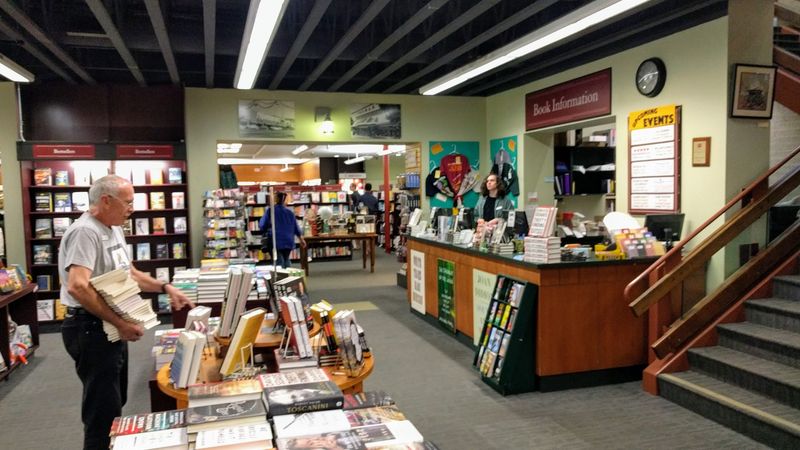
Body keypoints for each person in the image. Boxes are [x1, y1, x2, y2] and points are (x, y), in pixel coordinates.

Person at [58, 175, 193, 450]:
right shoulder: (86, 231)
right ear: (106, 201)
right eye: (128, 202)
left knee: (114, 401)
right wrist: (119, 323)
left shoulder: (114, 226)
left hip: (106, 325)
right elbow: (77, 286)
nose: (132, 208)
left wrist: (165, 287)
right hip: (90, 327)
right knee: (101, 412)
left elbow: (129, 274)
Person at [260, 191, 307, 268]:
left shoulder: (270, 211)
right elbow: (296, 227)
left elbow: (262, 225)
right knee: (286, 258)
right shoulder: (290, 213)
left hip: (276, 240)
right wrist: (301, 239)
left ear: (275, 199)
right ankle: (289, 276)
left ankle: (282, 277)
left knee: (279, 261)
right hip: (288, 240)